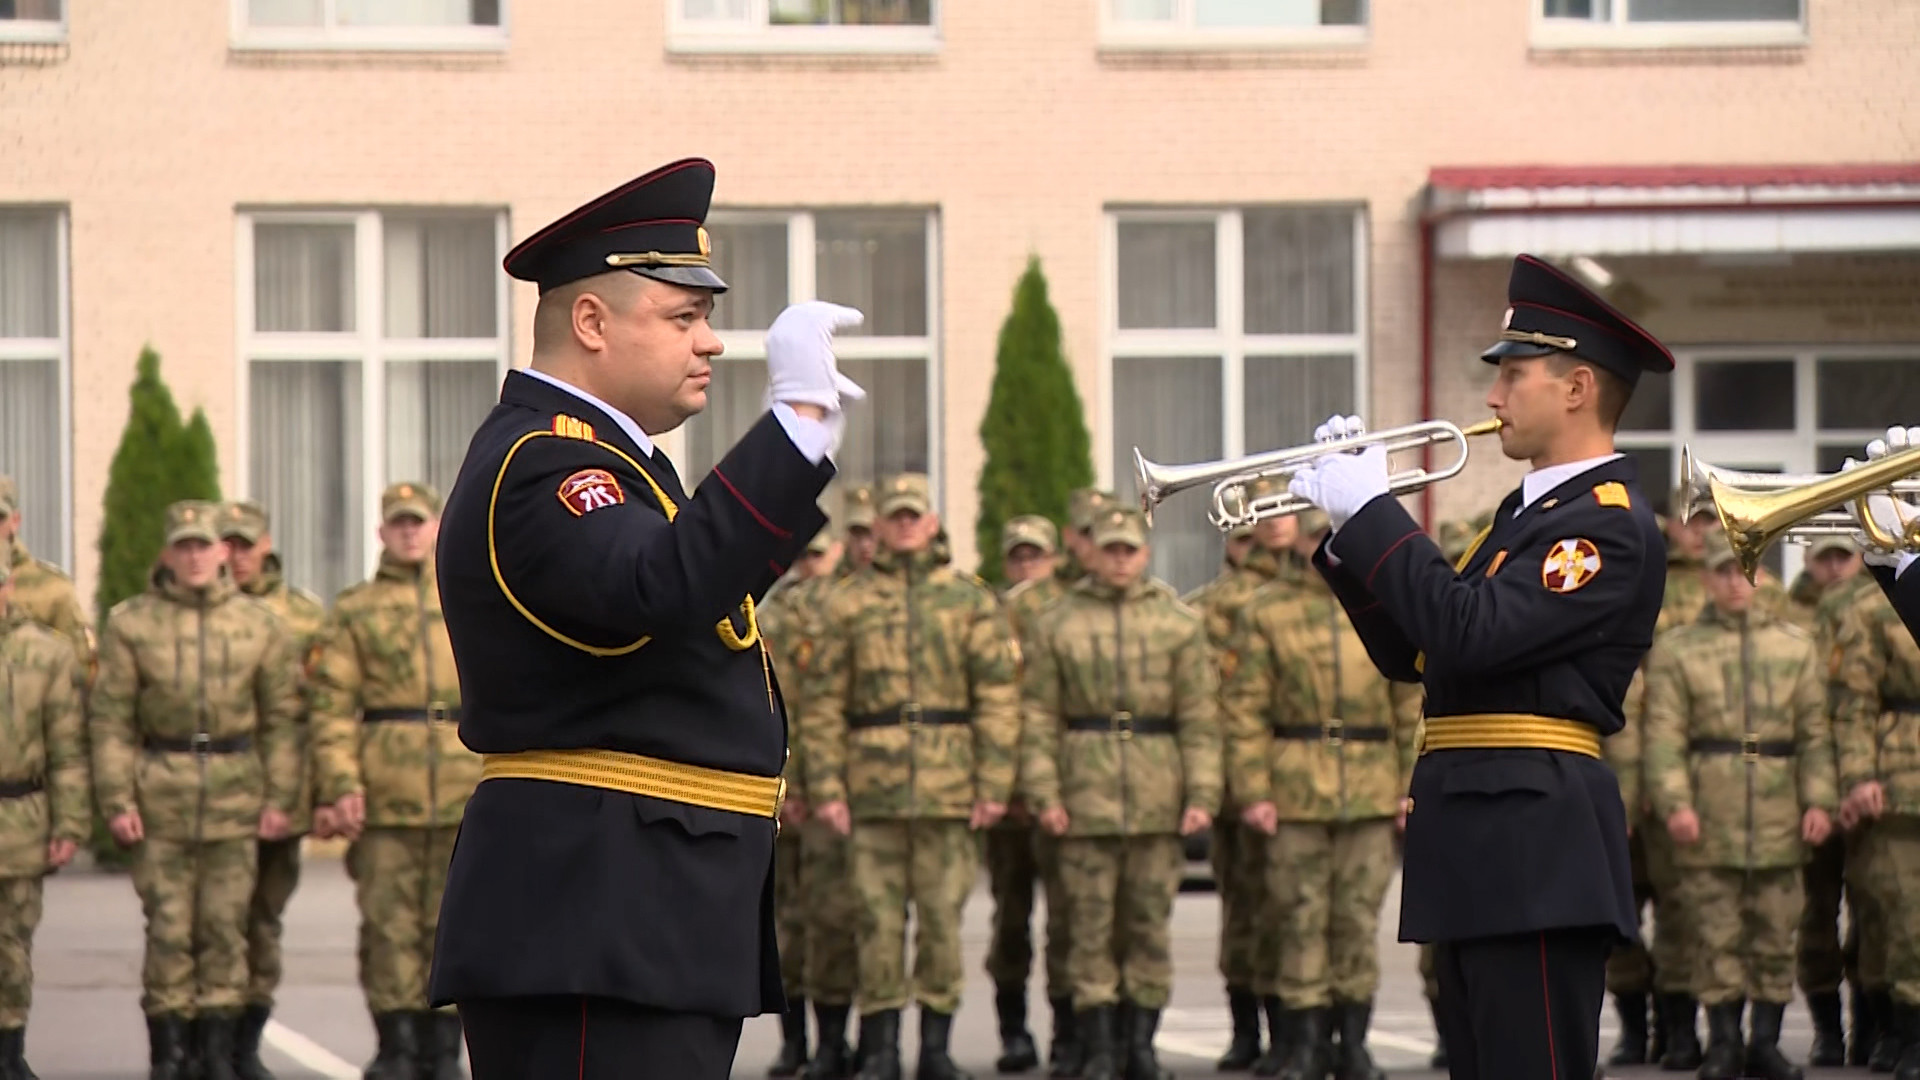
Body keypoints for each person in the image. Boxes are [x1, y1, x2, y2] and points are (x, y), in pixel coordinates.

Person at [427, 158, 861, 1079]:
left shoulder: (615, 467)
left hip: (638, 908)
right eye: (683, 316)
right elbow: (658, 590)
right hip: (596, 912)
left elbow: (692, 600)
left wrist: (793, 466)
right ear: (592, 322)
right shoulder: (545, 464)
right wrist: (792, 431)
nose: (709, 343)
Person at [1283, 253, 1674, 1078]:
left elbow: (1469, 631)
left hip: (1535, 846)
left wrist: (1374, 512)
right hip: (1478, 837)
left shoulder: (1605, 529)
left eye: (1515, 376)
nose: (1493, 399)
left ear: (1577, 389)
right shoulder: (1523, 518)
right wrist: (1350, 539)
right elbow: (1415, 651)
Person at [797, 472, 1021, 1080]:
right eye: (893, 516)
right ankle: (880, 1049)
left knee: (943, 924)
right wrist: (827, 787)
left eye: (911, 515)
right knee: (874, 923)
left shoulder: (970, 601)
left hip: (948, 790)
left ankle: (937, 1049)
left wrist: (994, 783)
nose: (902, 524)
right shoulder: (848, 603)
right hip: (870, 792)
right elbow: (821, 705)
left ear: (930, 523)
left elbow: (999, 699)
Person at [91, 501, 302, 1080]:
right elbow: (110, 722)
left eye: (203, 546)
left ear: (222, 553)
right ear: (168, 552)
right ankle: (170, 1054)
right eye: (183, 546)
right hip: (161, 793)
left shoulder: (260, 624)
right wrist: (117, 799)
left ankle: (217, 1054)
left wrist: (280, 799)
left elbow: (282, 721)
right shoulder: (131, 623)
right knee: (168, 930)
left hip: (236, 796)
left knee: (224, 930)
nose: (194, 556)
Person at [1022, 505, 1218, 1080]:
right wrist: (1045, 793)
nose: (1120, 559)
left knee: (1147, 927)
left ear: (1145, 553)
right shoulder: (1058, 622)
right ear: (1092, 552)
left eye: (1129, 549)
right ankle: (1100, 1047)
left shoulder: (1178, 623)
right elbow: (1037, 717)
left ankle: (1141, 1045)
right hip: (1084, 793)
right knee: (1087, 929)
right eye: (1110, 549)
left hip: (1158, 793)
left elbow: (1201, 718)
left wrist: (1202, 793)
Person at [1224, 507, 1418, 1080]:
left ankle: (1352, 1042)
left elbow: (1411, 705)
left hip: (1370, 781)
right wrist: (1253, 789)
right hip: (1294, 785)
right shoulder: (1266, 611)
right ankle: (1304, 1041)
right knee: (1297, 917)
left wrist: (1410, 786)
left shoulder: (1386, 605)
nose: (1325, 544)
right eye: (1315, 535)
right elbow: (1244, 710)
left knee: (1357, 918)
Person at [1642, 529, 1834, 1080]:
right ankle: (1723, 1042)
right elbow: (1664, 736)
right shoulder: (1680, 649)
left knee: (1776, 931)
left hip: (1779, 808)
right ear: (1706, 578)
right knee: (1715, 930)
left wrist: (1819, 799)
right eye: (1723, 571)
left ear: (1759, 577)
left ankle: (1766, 1043)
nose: (1734, 582)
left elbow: (1817, 736)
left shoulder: (1795, 647)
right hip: (1711, 805)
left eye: (1742, 571)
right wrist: (1675, 801)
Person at [312, 482, 479, 1080]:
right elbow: (331, 706)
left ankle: (445, 1048)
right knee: (388, 927)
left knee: (458, 926)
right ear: (382, 533)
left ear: (436, 527)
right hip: (386, 791)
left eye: (418, 522)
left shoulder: (470, 593)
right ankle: (398, 1045)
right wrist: (341, 783)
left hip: (465, 788)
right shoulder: (356, 610)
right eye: (398, 524)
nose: (409, 532)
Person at [216, 499, 329, 1080]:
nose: (234, 556)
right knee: (211, 923)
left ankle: (246, 1043)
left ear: (265, 545)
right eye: (225, 544)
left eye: (244, 543)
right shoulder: (200, 612)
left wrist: (305, 795)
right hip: (212, 793)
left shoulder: (304, 617)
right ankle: (205, 1044)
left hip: (279, 793)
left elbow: (319, 710)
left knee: (262, 921)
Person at [0, 539, 87, 1080]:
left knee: (12, 945)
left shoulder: (47, 653)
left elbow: (68, 748)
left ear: (8, 586)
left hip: (20, 817)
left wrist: (71, 820)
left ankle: (9, 1052)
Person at [757, 526, 840, 1077]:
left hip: (842, 791)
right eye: (803, 555)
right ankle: (795, 1040)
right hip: (785, 791)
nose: (810, 565)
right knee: (787, 920)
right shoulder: (774, 616)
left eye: (820, 554)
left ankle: (836, 1043)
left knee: (837, 920)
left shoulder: (853, 610)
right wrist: (784, 785)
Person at [984, 513, 1062, 1074]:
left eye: (1036, 554)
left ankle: (1068, 1033)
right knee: (1011, 920)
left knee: (1068, 921)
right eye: (1018, 555)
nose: (1027, 563)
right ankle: (1014, 1030)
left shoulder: (1068, 614)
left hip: (1059, 788)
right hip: (1008, 796)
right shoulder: (989, 616)